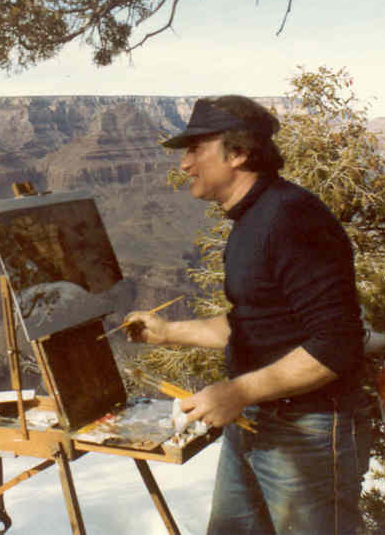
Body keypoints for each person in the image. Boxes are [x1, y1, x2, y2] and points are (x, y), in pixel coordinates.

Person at [126, 95, 371, 535]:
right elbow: (256, 322)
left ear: (238, 154)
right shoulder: (254, 218)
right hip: (257, 421)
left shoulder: (292, 219)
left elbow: (337, 345)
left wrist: (237, 391)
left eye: (195, 149)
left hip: (308, 432)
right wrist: (168, 332)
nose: (184, 165)